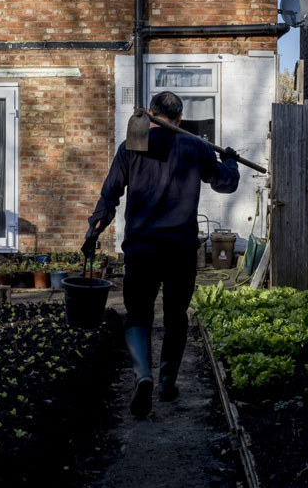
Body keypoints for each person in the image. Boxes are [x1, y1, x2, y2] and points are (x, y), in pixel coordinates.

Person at [84, 90, 240, 418]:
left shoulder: (130, 148)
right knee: (175, 317)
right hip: (181, 251)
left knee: (138, 316)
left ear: (151, 114)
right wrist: (230, 161)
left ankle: (143, 376)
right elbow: (225, 184)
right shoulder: (195, 147)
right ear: (180, 118)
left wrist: (94, 230)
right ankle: (167, 382)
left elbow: (109, 195)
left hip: (142, 249)